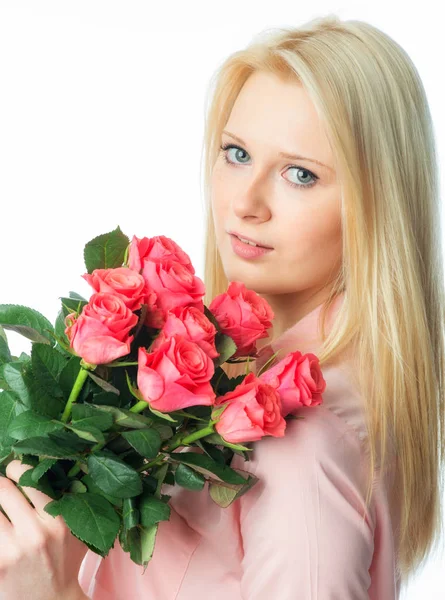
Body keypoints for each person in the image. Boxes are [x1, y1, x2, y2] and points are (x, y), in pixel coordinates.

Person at [2, 14, 444, 600]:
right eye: (236, 154)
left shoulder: (302, 442)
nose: (245, 202)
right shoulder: (233, 371)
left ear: (375, 203)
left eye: (300, 174)